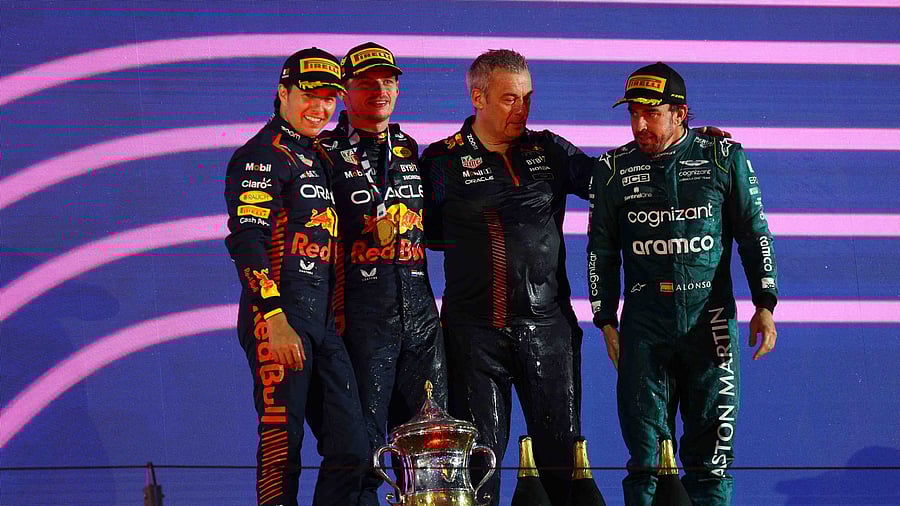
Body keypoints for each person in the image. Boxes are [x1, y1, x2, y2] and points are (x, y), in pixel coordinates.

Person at [586, 62, 778, 506]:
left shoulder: (723, 156)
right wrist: (605, 320)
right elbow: (601, 250)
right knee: (647, 460)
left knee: (711, 460)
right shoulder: (612, 168)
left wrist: (765, 303)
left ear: (681, 113)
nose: (639, 124)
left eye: (651, 114)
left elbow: (754, 233)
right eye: (633, 113)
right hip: (643, 330)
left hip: (710, 324)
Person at [419, 49, 594, 506]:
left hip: (549, 332)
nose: (523, 110)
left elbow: (610, 182)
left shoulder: (549, 149)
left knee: (562, 464)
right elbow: (424, 233)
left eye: (527, 98)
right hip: (475, 338)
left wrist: (683, 144)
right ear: (478, 97)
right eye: (509, 99)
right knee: (479, 470)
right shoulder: (440, 161)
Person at [224, 47, 369, 506]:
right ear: (282, 92)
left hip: (323, 326)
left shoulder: (319, 157)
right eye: (310, 95)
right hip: (279, 320)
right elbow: (247, 241)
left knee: (353, 449)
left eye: (330, 98)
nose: (321, 108)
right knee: (281, 451)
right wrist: (274, 316)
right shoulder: (262, 154)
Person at [316, 41, 448, 505]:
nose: (379, 90)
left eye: (388, 81)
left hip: (420, 313)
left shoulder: (411, 150)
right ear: (344, 92)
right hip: (361, 314)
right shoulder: (325, 155)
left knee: (431, 451)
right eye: (366, 82)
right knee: (366, 450)